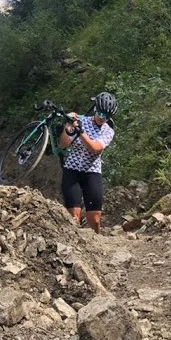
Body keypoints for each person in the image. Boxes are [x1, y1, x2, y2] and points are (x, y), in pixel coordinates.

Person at [58, 92, 117, 234]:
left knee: (95, 219)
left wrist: (80, 132)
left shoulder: (108, 131)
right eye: (101, 114)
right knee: (73, 217)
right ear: (96, 109)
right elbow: (63, 144)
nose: (103, 119)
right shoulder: (81, 120)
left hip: (92, 171)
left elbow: (95, 148)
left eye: (107, 116)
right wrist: (69, 125)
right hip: (72, 169)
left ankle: (96, 241)